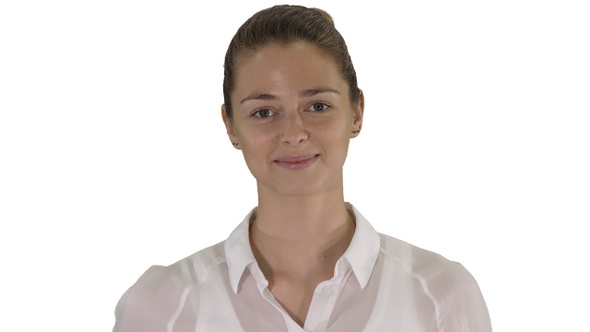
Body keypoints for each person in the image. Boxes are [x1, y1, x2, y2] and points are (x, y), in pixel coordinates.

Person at [112, 4, 492, 331]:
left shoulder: (441, 298)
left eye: (318, 106)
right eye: (264, 112)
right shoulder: (160, 307)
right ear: (230, 124)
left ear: (356, 111)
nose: (293, 133)